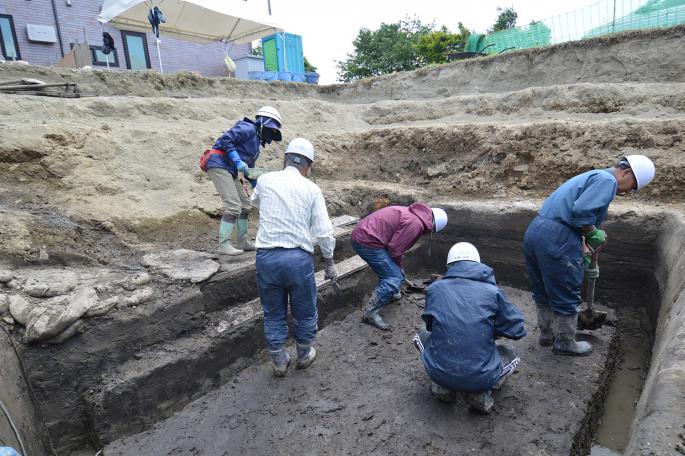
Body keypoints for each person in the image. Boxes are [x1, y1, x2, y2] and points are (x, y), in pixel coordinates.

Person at [523, 155, 655, 356]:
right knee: (566, 290)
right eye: (633, 186)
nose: (628, 192)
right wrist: (593, 232)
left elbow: (573, 214)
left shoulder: (592, 176)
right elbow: (581, 214)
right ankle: (565, 343)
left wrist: (583, 249)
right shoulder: (607, 181)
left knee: (542, 289)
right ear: (627, 172)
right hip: (559, 236)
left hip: (537, 230)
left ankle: (547, 334)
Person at [251, 138, 337, 377]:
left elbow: (254, 201)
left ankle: (279, 361)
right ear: (308, 166)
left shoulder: (266, 180)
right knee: (305, 310)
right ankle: (304, 354)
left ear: (286, 159)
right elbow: (324, 232)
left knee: (273, 312)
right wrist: (329, 263)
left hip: (267, 258)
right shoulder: (311, 189)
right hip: (298, 260)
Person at [412, 242, 526, 413]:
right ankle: (481, 392)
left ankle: (442, 387)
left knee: (421, 334)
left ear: (449, 266)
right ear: (478, 264)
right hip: (481, 378)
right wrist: (491, 330)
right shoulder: (492, 292)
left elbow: (430, 325)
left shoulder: (434, 289)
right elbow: (517, 330)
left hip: (439, 373)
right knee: (512, 353)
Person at [204, 106, 283, 255]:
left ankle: (242, 241)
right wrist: (237, 160)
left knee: (246, 205)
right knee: (233, 206)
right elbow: (226, 139)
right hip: (219, 164)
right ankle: (223, 244)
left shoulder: (256, 146)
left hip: (230, 169)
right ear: (263, 123)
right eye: (271, 130)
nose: (271, 134)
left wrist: (257, 185)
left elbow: (249, 171)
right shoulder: (248, 128)